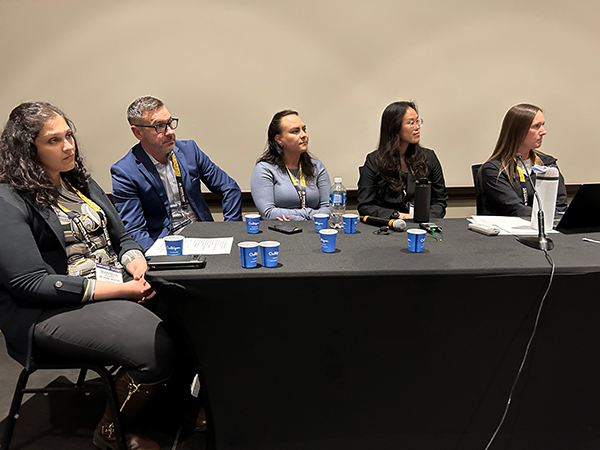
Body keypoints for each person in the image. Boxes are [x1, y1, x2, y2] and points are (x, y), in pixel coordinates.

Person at [0, 102, 174, 450]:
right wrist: (118, 290)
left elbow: (123, 237)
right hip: (48, 311)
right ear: (26, 149)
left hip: (112, 286)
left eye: (69, 136)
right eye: (54, 141)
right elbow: (30, 283)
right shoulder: (8, 200)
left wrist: (135, 259)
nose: (68, 147)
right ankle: (113, 429)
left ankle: (174, 408)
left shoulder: (78, 181)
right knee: (156, 345)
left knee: (192, 315)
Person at [111, 96, 242, 251]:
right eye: (159, 126)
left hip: (203, 238)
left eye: (170, 123)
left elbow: (230, 188)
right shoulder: (125, 172)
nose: (170, 132)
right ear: (138, 133)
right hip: (165, 246)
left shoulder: (189, 151)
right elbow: (135, 231)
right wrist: (157, 260)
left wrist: (230, 231)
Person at [357, 101, 447, 219]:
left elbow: (440, 202)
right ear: (395, 127)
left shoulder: (429, 158)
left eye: (417, 121)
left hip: (423, 226)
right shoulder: (374, 161)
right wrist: (398, 216)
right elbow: (365, 206)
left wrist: (421, 216)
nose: (417, 127)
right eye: (411, 123)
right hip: (388, 226)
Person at [478, 103, 567, 216]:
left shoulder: (548, 164)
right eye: (536, 126)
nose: (543, 131)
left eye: (542, 125)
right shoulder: (494, 170)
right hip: (511, 230)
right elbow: (515, 209)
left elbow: (560, 206)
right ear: (518, 131)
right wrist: (546, 216)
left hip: (550, 229)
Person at [251, 110, 332, 221]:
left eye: (304, 129)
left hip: (315, 230)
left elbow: (329, 208)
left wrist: (301, 215)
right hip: (280, 231)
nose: (304, 135)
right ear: (279, 139)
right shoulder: (265, 169)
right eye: (295, 131)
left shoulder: (316, 167)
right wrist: (307, 215)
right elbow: (268, 213)